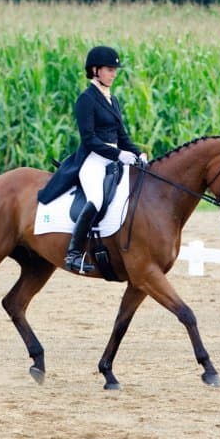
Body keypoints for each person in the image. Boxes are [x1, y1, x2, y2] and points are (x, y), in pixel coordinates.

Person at [38, 45, 147, 274]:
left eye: (114, 70)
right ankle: (74, 253)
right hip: (93, 160)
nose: (114, 74)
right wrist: (118, 154)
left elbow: (122, 136)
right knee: (96, 200)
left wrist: (138, 153)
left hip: (113, 161)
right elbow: (89, 139)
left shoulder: (112, 100)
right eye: (109, 69)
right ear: (95, 70)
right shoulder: (86, 99)